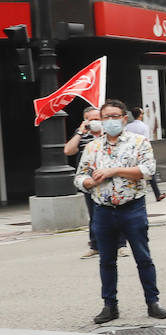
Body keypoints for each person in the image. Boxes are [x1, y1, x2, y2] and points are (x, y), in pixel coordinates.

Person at [74, 100, 166, 324]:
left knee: (143, 257)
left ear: (124, 118)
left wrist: (114, 171)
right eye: (104, 117)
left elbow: (147, 170)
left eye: (114, 116)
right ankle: (110, 305)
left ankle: (152, 301)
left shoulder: (139, 142)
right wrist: (88, 182)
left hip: (132, 207)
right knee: (107, 260)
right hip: (103, 210)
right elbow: (79, 176)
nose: (109, 121)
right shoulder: (93, 147)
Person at [66, 106, 103, 259]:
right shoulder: (82, 134)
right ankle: (95, 245)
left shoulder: (109, 133)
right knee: (94, 214)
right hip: (88, 181)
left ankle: (121, 245)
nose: (95, 122)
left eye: (98, 119)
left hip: (109, 178)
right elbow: (69, 150)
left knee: (115, 210)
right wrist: (81, 132)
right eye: (91, 119)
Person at [124, 108, 166, 201]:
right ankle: (157, 194)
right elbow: (146, 140)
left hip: (130, 152)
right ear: (140, 115)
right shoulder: (144, 127)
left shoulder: (128, 127)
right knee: (150, 173)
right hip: (142, 152)